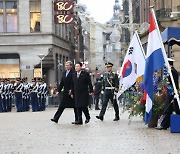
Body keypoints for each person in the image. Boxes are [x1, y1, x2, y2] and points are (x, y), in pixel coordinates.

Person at [156, 58, 180, 130]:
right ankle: (165, 125)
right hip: (171, 91)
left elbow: (172, 83)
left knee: (168, 108)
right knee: (170, 109)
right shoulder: (172, 71)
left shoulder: (172, 72)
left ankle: (164, 125)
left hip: (171, 92)